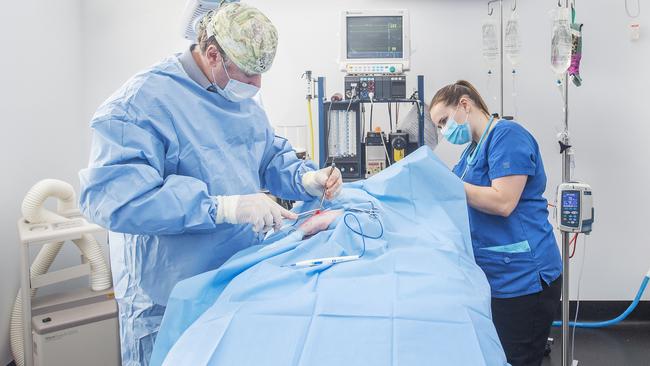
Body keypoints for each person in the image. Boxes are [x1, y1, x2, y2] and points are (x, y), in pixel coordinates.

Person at [78, 3, 341, 365]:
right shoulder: (140, 103)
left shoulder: (239, 97)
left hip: (234, 278)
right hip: (169, 296)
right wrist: (224, 207)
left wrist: (306, 179)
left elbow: (265, 156)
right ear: (213, 54)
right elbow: (115, 201)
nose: (257, 85)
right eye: (249, 74)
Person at [428, 80, 561, 366]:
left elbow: (503, 202)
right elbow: (455, 201)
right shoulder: (470, 152)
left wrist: (444, 184)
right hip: (496, 276)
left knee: (518, 359)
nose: (443, 131)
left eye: (443, 121)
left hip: (525, 277)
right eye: (438, 127)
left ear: (464, 104)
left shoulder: (508, 136)